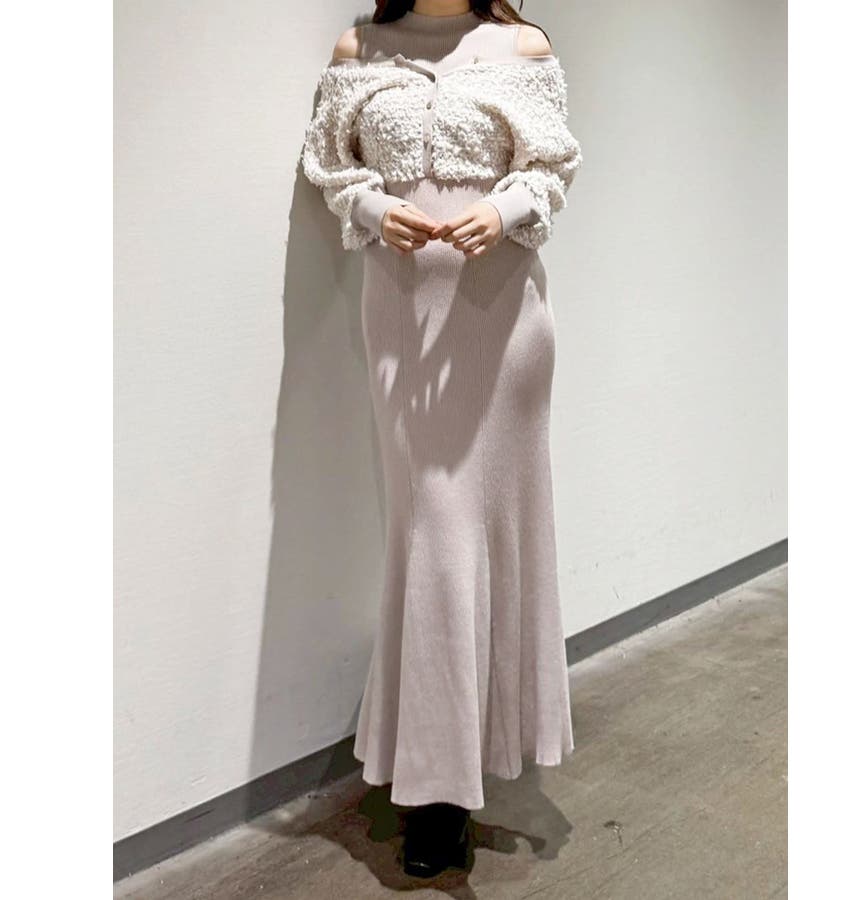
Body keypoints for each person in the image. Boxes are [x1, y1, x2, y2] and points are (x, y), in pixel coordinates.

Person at [300, 0, 583, 878]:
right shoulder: (360, 48)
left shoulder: (522, 45)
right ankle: (434, 781)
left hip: (503, 326)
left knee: (485, 539)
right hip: (402, 322)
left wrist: (503, 210)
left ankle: (451, 784)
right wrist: (372, 206)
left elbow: (552, 165)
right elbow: (329, 165)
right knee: (432, 540)